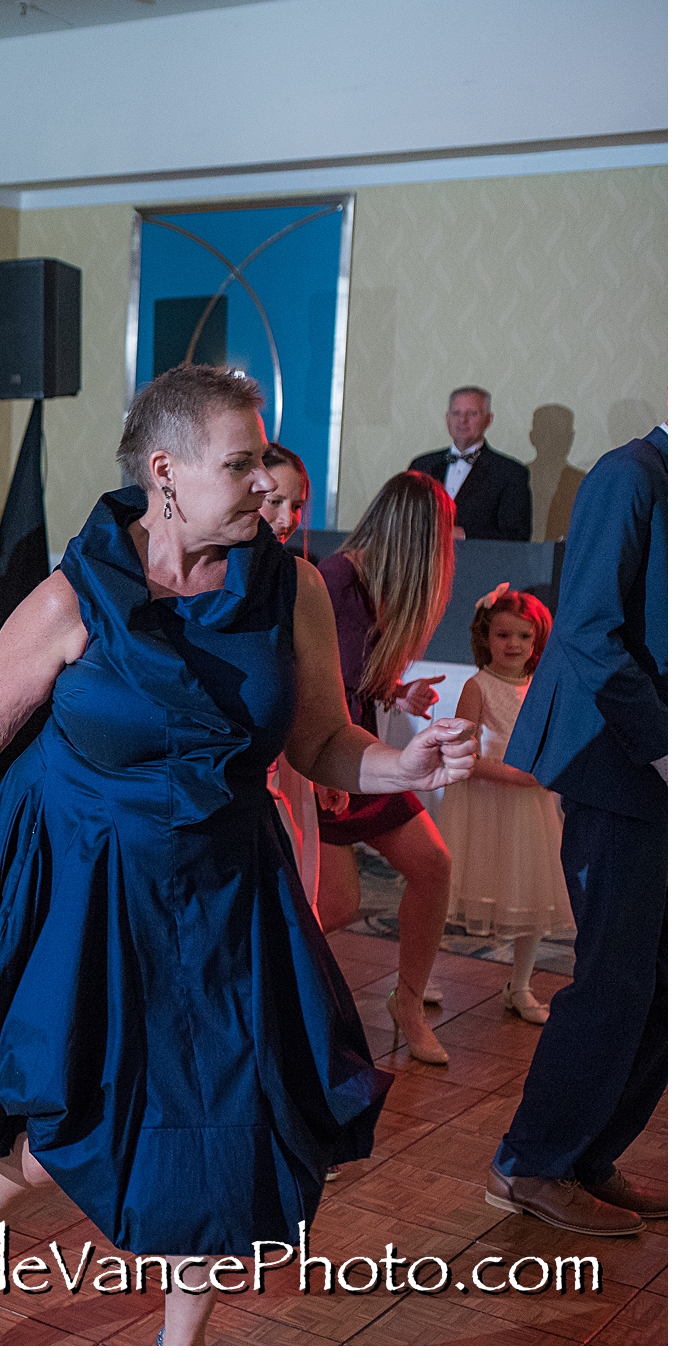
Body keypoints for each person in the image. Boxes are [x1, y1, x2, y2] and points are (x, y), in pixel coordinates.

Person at [0, 365, 475, 1346]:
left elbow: (318, 741)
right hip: (82, 883)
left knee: (223, 1123)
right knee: (63, 1114)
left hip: (223, 888)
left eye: (266, 456)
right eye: (242, 463)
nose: (268, 480)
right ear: (165, 471)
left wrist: (400, 762)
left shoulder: (291, 589)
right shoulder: (71, 599)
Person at [486, 422, 666, 1238]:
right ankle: (532, 1162)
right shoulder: (628, 476)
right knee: (615, 980)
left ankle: (589, 1153)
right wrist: (666, 748)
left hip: (650, 769)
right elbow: (591, 629)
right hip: (620, 763)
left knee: (658, 989)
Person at [312, 472, 459, 1066]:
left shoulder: (380, 585)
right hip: (323, 752)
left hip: (358, 748)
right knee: (337, 904)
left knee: (432, 865)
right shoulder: (337, 576)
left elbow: (358, 675)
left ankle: (409, 1000)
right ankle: (265, 1001)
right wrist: (319, 772)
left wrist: (401, 694)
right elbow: (312, 675)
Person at [434, 586, 572, 1023]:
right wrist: (516, 777)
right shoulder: (478, 686)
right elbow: (464, 755)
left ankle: (521, 984)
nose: (513, 645)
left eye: (523, 637)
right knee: (446, 889)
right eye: (503, 635)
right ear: (485, 637)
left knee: (530, 892)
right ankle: (420, 976)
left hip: (529, 808)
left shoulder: (539, 688)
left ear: (537, 641)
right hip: (485, 803)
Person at [259, 444, 325, 907]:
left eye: (297, 506)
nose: (287, 519)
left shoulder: (301, 580)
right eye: (276, 502)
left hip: (290, 757)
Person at [409, 386, 533, 541]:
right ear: (447, 419)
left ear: (488, 420)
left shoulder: (510, 473)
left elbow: (516, 536)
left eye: (472, 413)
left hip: (478, 563)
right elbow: (404, 521)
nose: (463, 420)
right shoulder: (421, 466)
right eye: (456, 413)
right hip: (423, 564)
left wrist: (464, 534)